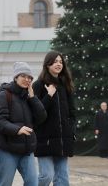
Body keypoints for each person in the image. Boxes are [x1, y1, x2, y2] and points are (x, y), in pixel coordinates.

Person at [0, 62, 47, 186]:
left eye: (30, 78)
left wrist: (33, 98)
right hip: (7, 150)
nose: (27, 80)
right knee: (4, 184)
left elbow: (42, 117)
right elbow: (0, 121)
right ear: (16, 77)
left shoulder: (28, 97)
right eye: (23, 76)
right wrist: (17, 129)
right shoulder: (4, 95)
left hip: (26, 150)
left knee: (33, 183)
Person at [33, 51, 76, 186]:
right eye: (55, 61)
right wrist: (49, 95)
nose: (59, 64)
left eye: (61, 62)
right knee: (46, 176)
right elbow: (36, 113)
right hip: (44, 140)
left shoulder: (65, 85)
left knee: (62, 179)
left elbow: (72, 112)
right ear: (47, 64)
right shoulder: (38, 85)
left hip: (63, 139)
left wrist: (71, 131)